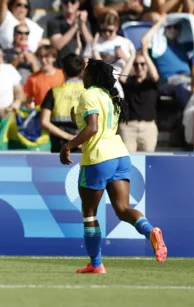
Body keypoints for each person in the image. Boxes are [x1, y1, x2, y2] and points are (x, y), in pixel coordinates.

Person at [60, 59, 167, 273]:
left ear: (91, 76)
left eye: (85, 72)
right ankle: (150, 232)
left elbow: (92, 128)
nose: (82, 75)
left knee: (89, 213)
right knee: (123, 209)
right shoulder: (111, 96)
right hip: (119, 154)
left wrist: (68, 145)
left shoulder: (88, 94)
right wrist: (77, 120)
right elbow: (98, 125)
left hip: (98, 158)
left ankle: (96, 264)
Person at [40, 53, 85, 154]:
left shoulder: (54, 92)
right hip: (84, 145)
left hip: (60, 146)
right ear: (82, 71)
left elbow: (44, 121)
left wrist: (69, 137)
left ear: (63, 71)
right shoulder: (90, 92)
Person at [119, 47, 160, 153]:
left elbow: (155, 75)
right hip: (128, 128)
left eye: (142, 64)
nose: (139, 67)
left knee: (149, 162)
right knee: (128, 162)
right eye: (136, 64)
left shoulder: (151, 83)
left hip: (148, 127)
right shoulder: (129, 82)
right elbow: (122, 78)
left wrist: (145, 55)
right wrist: (132, 58)